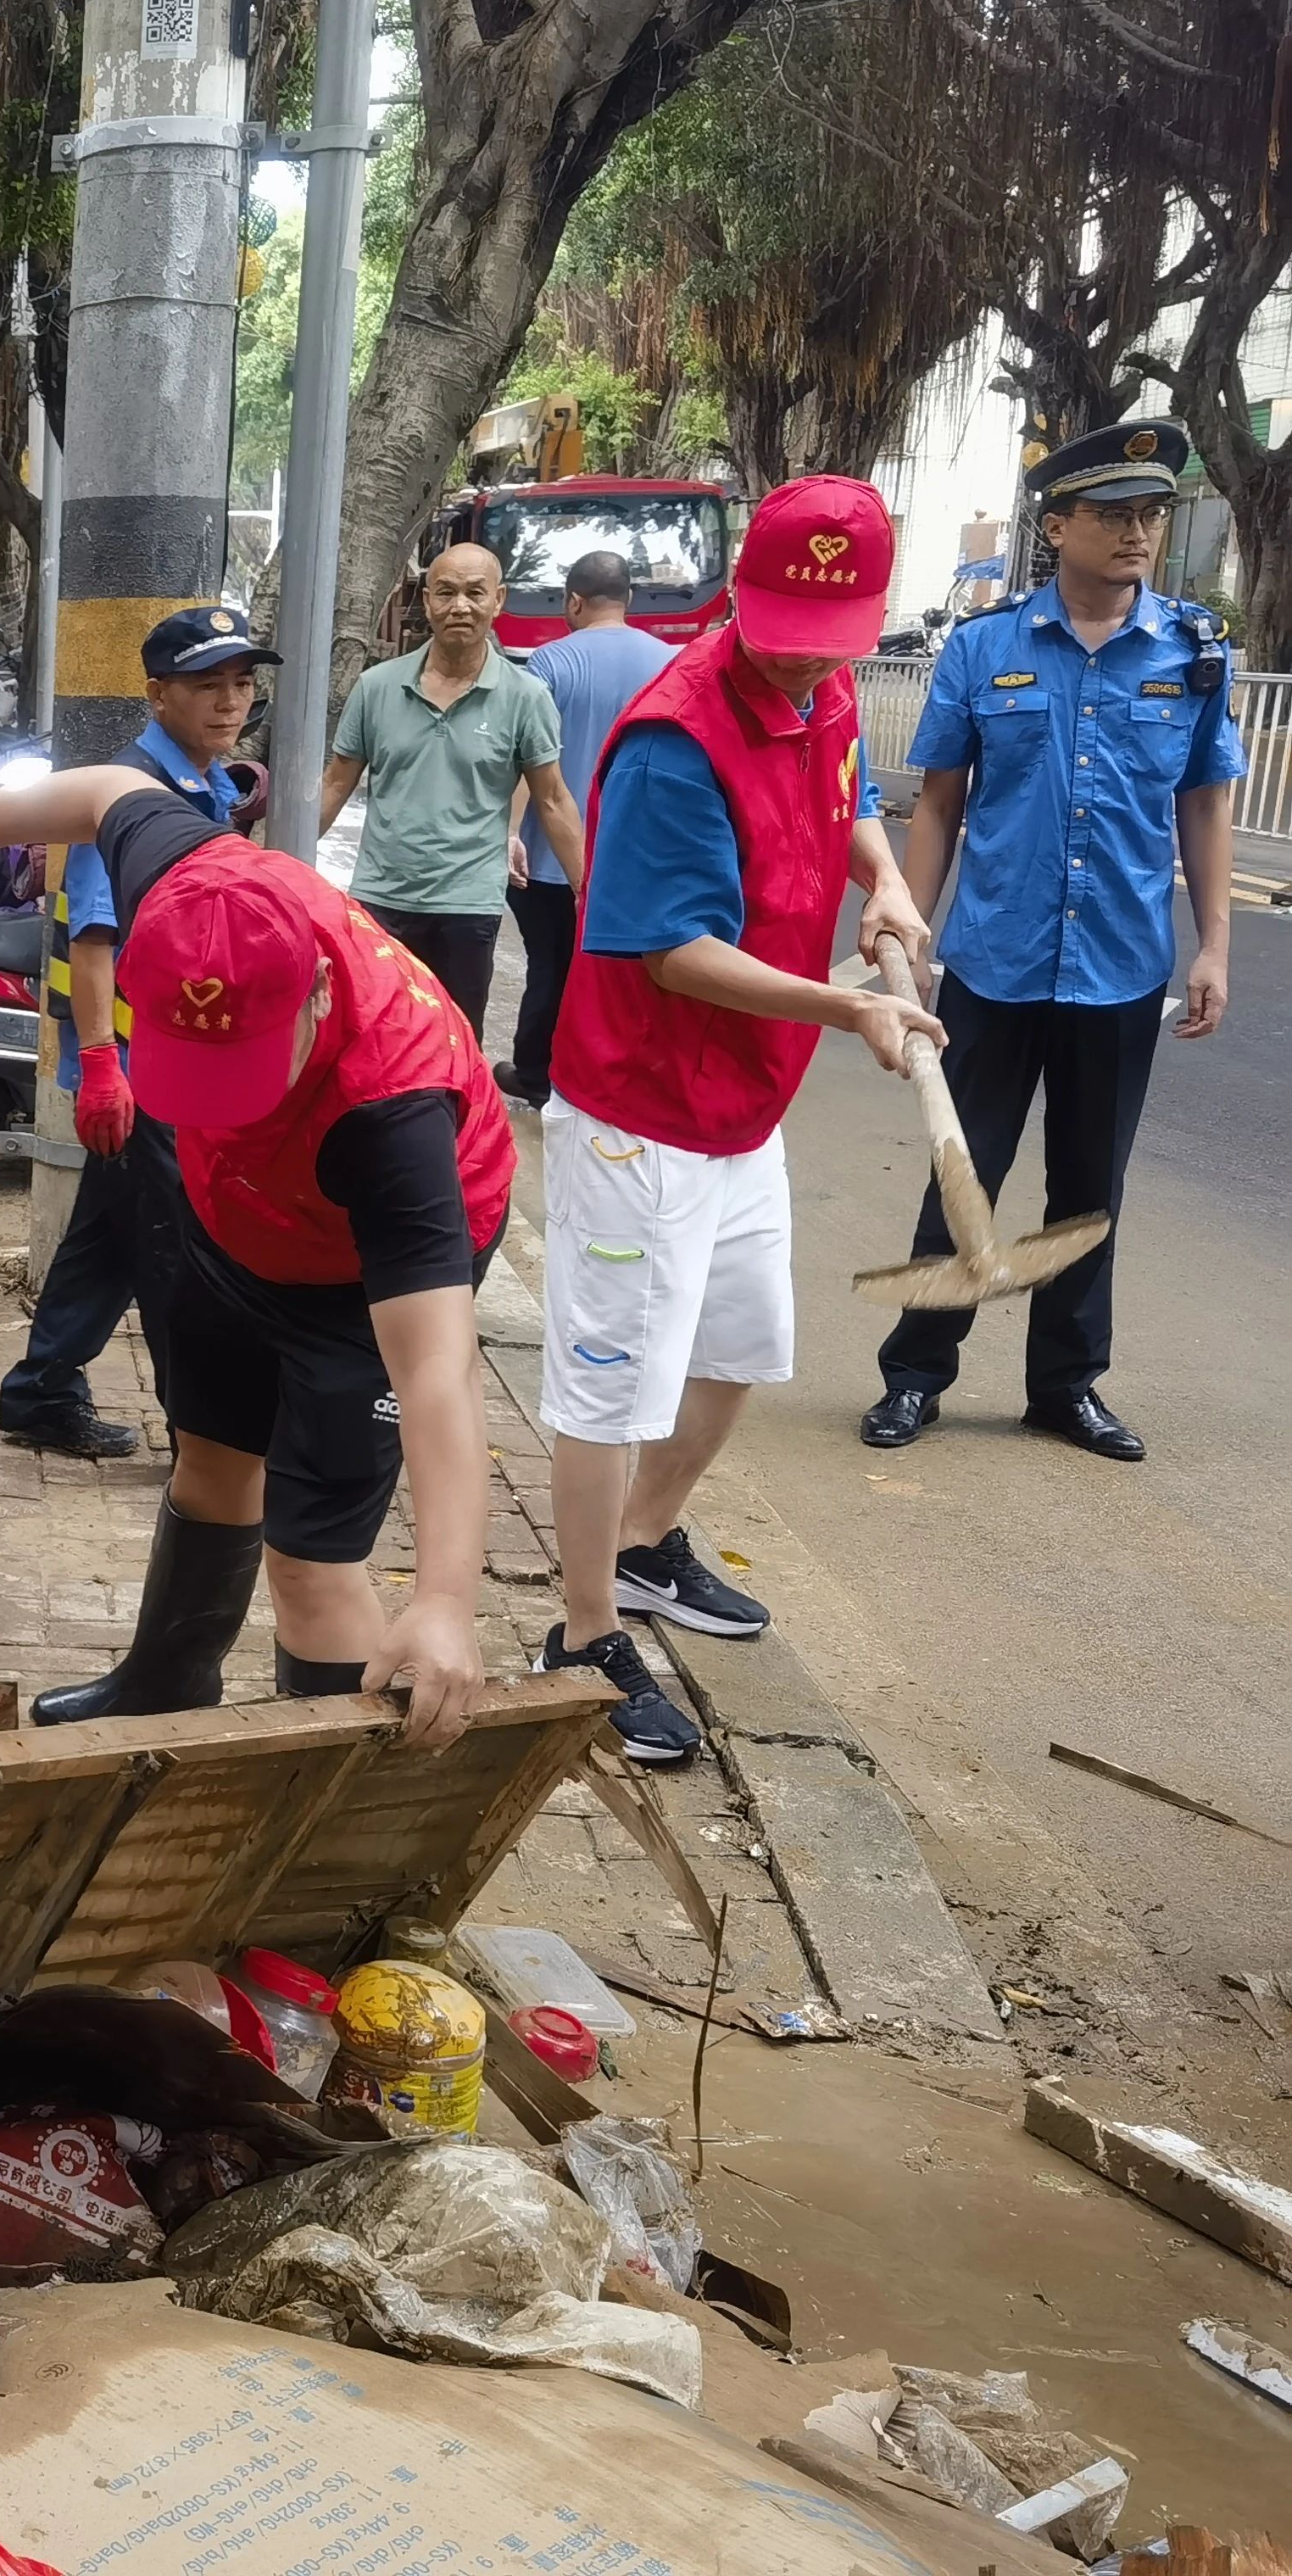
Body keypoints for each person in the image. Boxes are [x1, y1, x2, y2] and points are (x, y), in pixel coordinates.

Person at [0, 767, 509, 1756]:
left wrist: (446, 1599)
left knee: (309, 1556)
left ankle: (324, 1811)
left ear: (323, 991)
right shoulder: (188, 883)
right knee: (210, 1455)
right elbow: (99, 791)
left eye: (249, 1067)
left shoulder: (396, 1115)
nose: (228, 1102)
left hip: (355, 1273)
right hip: (233, 1226)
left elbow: (437, 1368)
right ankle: (165, 1684)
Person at [537, 475, 938, 1751]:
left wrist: (879, 884)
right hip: (639, 1114)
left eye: (834, 637)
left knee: (738, 1348)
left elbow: (849, 806)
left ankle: (649, 1544)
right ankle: (586, 1627)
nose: (807, 657)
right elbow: (667, 950)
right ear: (736, 599)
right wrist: (848, 1006)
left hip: (740, 1110)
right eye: (783, 628)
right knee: (612, 1383)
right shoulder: (676, 739)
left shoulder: (822, 699)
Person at [861, 418, 1244, 1462]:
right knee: (961, 1168)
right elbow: (939, 804)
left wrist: (1211, 946)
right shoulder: (985, 649)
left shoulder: (1192, 653)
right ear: (1058, 526)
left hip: (1122, 968)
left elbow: (1204, 807)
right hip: (993, 960)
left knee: (1089, 1190)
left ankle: (1064, 1387)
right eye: (1113, 516)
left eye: (1150, 517)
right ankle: (916, 1376)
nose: (1135, 535)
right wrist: (913, 930)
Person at [0, 605, 275, 1460]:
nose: (229, 702)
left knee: (113, 1238)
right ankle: (204, 1436)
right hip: (140, 1067)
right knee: (174, 1252)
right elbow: (92, 941)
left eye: (241, 684)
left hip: (170, 1059)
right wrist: (101, 1067)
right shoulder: (121, 797)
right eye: (206, 686)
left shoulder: (203, 783)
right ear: (157, 695)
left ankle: (42, 1391)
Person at [320, 542, 587, 1034]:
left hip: (468, 905)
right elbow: (336, 783)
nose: (459, 606)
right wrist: (276, 868)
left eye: (474, 593)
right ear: (427, 603)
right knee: (373, 1037)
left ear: (498, 600)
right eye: (445, 592)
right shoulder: (377, 687)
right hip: (381, 898)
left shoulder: (526, 698)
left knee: (454, 1041)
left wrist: (585, 890)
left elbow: (551, 798)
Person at [503, 550, 671, 1105]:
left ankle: (536, 1074)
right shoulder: (672, 663)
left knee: (549, 967)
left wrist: (510, 832)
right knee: (623, 975)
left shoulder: (550, 663)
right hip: (637, 859)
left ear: (574, 601)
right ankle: (611, 1076)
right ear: (629, 600)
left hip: (549, 859)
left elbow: (528, 762)